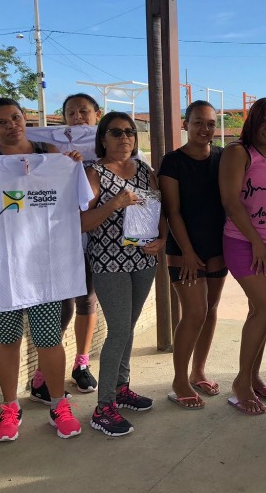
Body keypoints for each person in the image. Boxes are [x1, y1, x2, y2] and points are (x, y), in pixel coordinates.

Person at [0, 98, 84, 442]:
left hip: (44, 264)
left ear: (25, 118)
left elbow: (78, 200)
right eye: (2, 122)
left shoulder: (51, 155)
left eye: (16, 117)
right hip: (0, 265)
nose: (12, 125)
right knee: (6, 337)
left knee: (48, 337)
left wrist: (71, 167)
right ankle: (10, 407)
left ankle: (58, 405)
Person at [81, 111, 167, 436]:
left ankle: (121, 388)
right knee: (118, 331)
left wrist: (162, 240)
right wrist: (114, 204)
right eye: (116, 132)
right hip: (110, 263)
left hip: (143, 260)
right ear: (103, 138)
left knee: (127, 327)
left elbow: (159, 210)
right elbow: (82, 222)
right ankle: (103, 408)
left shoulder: (144, 170)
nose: (125, 137)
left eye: (129, 131)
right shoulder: (95, 173)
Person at [25, 92, 103, 399]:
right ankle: (43, 374)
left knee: (87, 299)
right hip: (57, 234)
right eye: (71, 112)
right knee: (60, 304)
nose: (78, 117)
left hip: (93, 234)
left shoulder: (107, 141)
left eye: (84, 111)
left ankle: (81, 363)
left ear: (97, 114)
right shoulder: (49, 143)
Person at [219, 97, 266, 415]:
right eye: (263, 120)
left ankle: (253, 375)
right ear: (251, 122)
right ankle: (241, 384)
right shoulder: (238, 152)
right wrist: (257, 243)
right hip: (245, 244)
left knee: (258, 312)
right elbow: (231, 201)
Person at [159, 101, 228, 409]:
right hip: (183, 249)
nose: (205, 129)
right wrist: (187, 251)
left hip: (217, 247)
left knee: (210, 309)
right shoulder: (172, 162)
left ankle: (198, 371)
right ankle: (179, 381)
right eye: (199, 122)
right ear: (185, 124)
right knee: (194, 312)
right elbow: (172, 211)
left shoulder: (223, 157)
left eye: (211, 123)